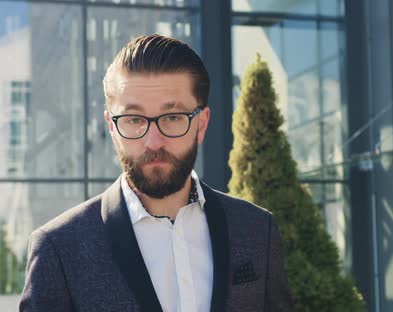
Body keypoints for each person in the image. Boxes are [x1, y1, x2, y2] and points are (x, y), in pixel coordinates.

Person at [19, 34, 293, 312]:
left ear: (201, 124)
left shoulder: (257, 229)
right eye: (134, 119)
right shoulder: (58, 247)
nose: (153, 142)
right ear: (112, 128)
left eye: (172, 117)